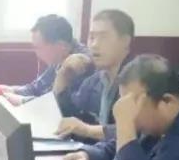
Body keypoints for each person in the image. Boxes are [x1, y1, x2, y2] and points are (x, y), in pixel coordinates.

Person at [55, 9, 135, 141]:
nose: (94, 45)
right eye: (91, 37)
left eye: (103, 37)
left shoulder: (137, 80)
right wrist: (63, 75)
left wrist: (88, 130)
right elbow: (71, 118)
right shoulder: (94, 81)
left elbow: (136, 131)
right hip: (94, 151)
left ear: (125, 41)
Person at [2, 14, 89, 104]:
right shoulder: (60, 54)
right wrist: (10, 90)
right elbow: (37, 88)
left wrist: (21, 100)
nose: (37, 54)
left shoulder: (80, 65)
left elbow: (56, 105)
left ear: (61, 46)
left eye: (38, 48)